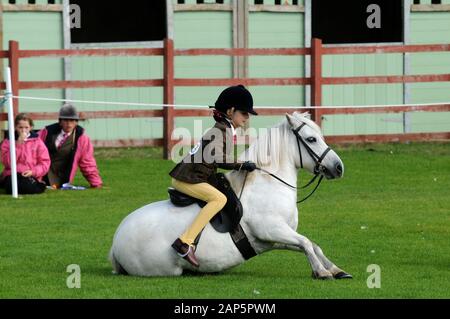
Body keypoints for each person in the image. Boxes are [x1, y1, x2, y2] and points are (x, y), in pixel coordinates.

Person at [169, 85, 258, 267]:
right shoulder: (221, 130)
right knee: (219, 199)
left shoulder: (224, 128)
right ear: (230, 111)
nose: (247, 117)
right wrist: (241, 164)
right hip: (187, 179)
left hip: (195, 176)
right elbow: (216, 157)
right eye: (244, 113)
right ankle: (185, 242)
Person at [38, 104, 103, 189]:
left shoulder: (82, 139)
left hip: (62, 178)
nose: (69, 124)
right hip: (42, 174)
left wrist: (96, 183)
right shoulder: (46, 133)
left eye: (72, 120)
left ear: (76, 122)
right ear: (60, 122)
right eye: (65, 120)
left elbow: (87, 162)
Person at [0, 113, 50, 194]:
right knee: (11, 187)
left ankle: (39, 184)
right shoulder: (8, 141)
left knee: (28, 187)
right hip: (12, 174)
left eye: (26, 127)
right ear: (15, 127)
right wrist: (18, 144)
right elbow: (8, 163)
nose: (23, 130)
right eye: (20, 127)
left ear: (31, 127)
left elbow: (45, 162)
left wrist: (33, 172)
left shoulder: (37, 142)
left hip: (30, 174)